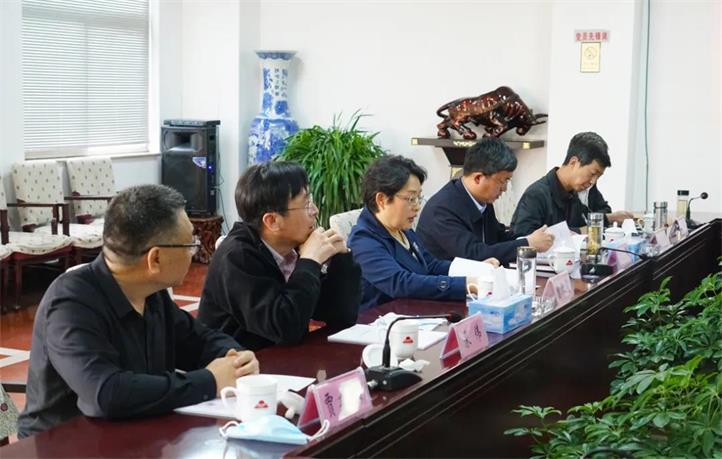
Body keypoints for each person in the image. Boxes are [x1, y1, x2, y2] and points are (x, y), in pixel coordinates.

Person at [17, 185, 259, 438]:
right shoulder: (70, 304)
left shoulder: (150, 293)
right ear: (155, 259)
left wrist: (236, 359)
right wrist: (210, 381)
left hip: (135, 434)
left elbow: (199, 340)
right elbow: (106, 393)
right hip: (64, 444)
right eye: (190, 244)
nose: (193, 252)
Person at [198, 161, 361, 350]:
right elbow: (285, 328)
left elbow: (340, 315)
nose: (315, 210)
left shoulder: (292, 248)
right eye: (306, 204)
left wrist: (341, 259)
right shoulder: (237, 257)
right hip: (237, 364)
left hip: (282, 361)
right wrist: (309, 262)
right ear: (272, 221)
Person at [348, 155, 499, 311]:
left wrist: (475, 268)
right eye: (411, 198)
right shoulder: (363, 240)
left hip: (415, 312)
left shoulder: (402, 229)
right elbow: (401, 283)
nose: (417, 206)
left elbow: (431, 265)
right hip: (380, 320)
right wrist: (466, 284)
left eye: (418, 198)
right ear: (382, 199)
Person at [416, 137, 554, 264]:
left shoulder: (481, 200)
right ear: (478, 178)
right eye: (502, 181)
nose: (504, 189)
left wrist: (530, 238)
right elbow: (473, 254)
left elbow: (497, 238)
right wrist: (527, 244)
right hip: (444, 280)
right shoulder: (441, 209)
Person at [511, 132, 634, 236]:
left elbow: (589, 219)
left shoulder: (575, 192)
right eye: (592, 174)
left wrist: (611, 218)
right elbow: (522, 239)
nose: (593, 182)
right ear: (573, 162)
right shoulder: (536, 195)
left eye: (598, 177)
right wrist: (578, 231)